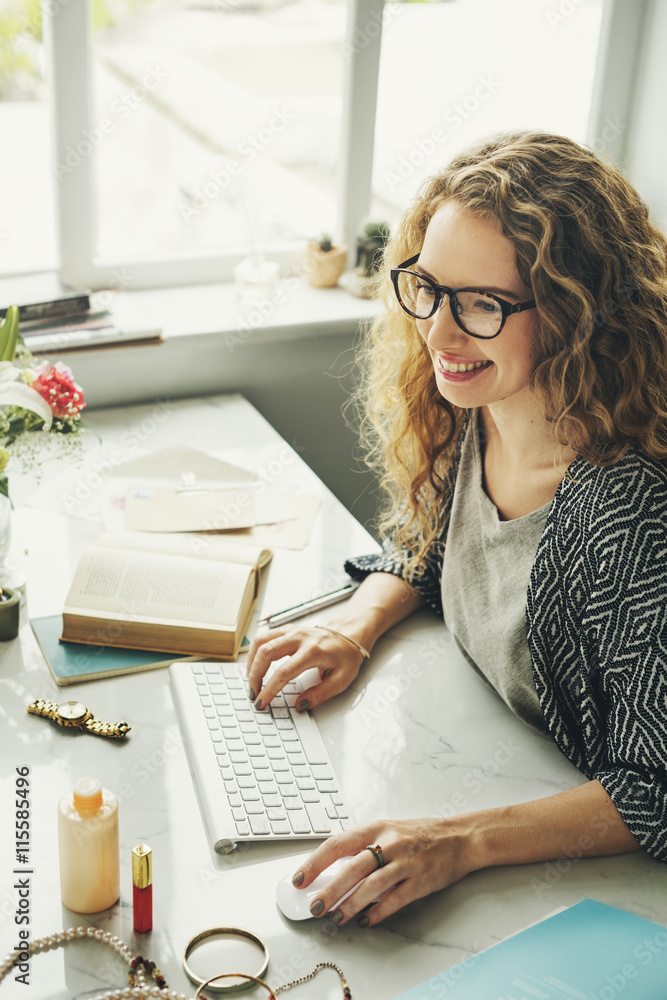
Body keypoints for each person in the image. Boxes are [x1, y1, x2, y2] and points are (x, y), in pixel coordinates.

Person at [247, 130, 667, 927]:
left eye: (481, 303)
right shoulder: (478, 403)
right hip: (492, 764)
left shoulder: (629, 511)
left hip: (602, 891)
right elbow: (429, 538)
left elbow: (656, 786)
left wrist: (460, 838)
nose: (437, 333)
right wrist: (355, 624)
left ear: (578, 314)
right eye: (428, 288)